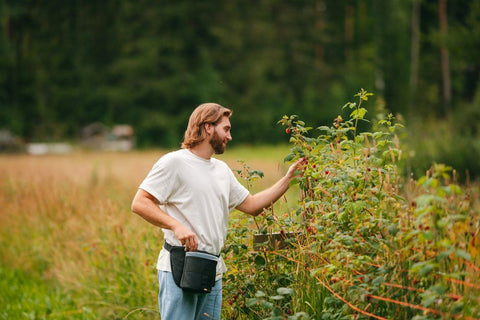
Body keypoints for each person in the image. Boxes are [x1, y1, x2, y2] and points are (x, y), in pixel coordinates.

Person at [131, 103, 304, 320]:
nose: (229, 137)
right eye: (226, 129)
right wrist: (176, 225)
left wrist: (288, 179)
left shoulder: (221, 170)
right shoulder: (174, 162)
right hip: (180, 268)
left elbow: (252, 205)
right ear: (208, 127)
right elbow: (140, 203)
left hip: (213, 269)